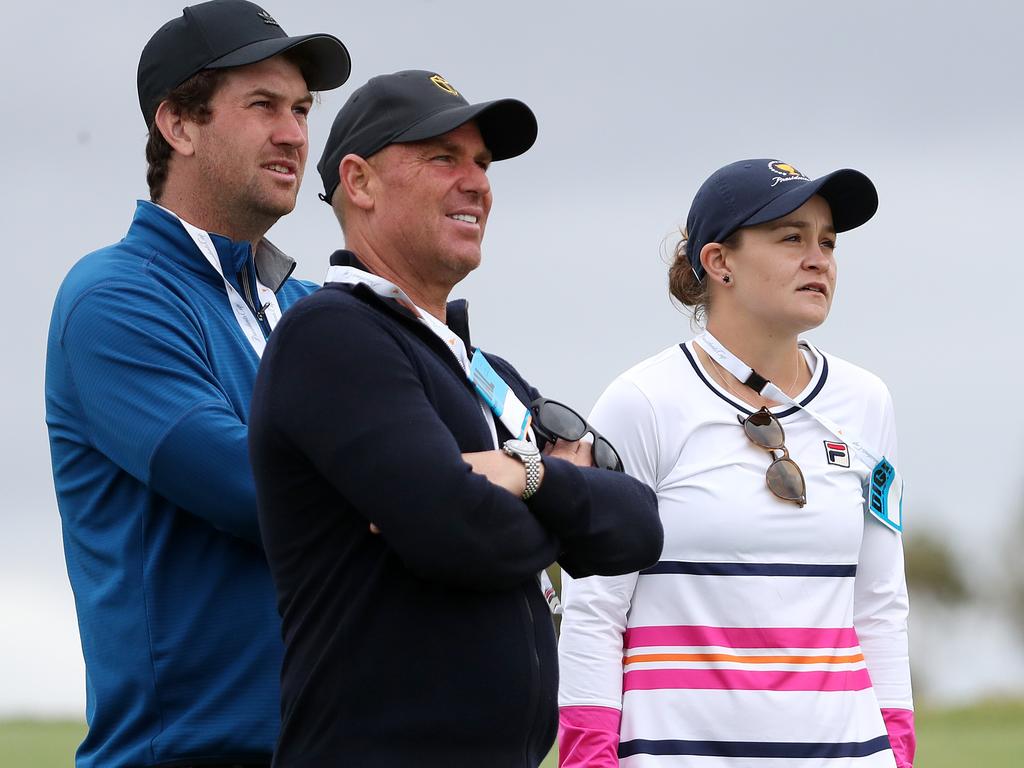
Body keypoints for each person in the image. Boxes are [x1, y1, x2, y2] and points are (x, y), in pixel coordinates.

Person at [247, 70, 664, 768]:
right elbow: (454, 529)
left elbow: (637, 525)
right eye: (444, 157)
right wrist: (553, 489)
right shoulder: (332, 336)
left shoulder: (484, 371)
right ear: (360, 182)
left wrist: (519, 477)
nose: (477, 183)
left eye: (483, 164)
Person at [44, 3, 350, 766]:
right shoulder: (114, 297)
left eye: (302, 109)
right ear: (178, 125)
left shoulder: (309, 305)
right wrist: (436, 487)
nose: (294, 133)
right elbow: (257, 491)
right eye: (263, 106)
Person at [557, 159, 915, 768]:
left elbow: (879, 602)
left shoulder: (866, 402)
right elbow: (594, 608)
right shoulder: (643, 401)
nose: (819, 258)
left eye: (827, 241)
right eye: (791, 237)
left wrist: (900, 750)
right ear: (719, 262)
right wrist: (588, 756)